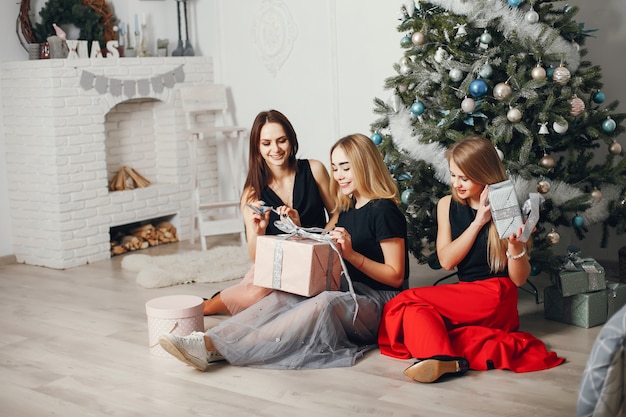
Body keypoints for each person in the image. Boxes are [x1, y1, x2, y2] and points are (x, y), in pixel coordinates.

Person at [159, 133, 408, 370]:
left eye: (346, 167)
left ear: (365, 166)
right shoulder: (346, 206)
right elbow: (319, 242)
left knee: (322, 302)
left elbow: (396, 276)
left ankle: (221, 348)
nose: (339, 175)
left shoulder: (383, 210)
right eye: (334, 168)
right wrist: (296, 227)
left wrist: (352, 255)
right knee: (283, 297)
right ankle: (207, 342)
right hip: (350, 292)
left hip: (381, 302)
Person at [377, 135, 565, 383]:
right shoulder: (446, 205)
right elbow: (446, 261)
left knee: (405, 301)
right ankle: (443, 359)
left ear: (485, 174)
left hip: (496, 295)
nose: (456, 183)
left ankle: (435, 353)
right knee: (415, 312)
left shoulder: (507, 206)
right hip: (465, 296)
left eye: (464, 178)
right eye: (453, 175)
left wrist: (515, 247)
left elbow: (518, 280)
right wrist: (478, 223)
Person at [202, 109, 338, 316]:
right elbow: (256, 256)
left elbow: (337, 213)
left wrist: (311, 238)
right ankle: (207, 307)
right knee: (258, 297)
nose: (275, 149)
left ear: (291, 140)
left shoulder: (314, 169)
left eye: (281, 140)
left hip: (318, 257)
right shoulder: (253, 193)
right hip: (279, 265)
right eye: (266, 143)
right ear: (257, 147)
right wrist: (260, 231)